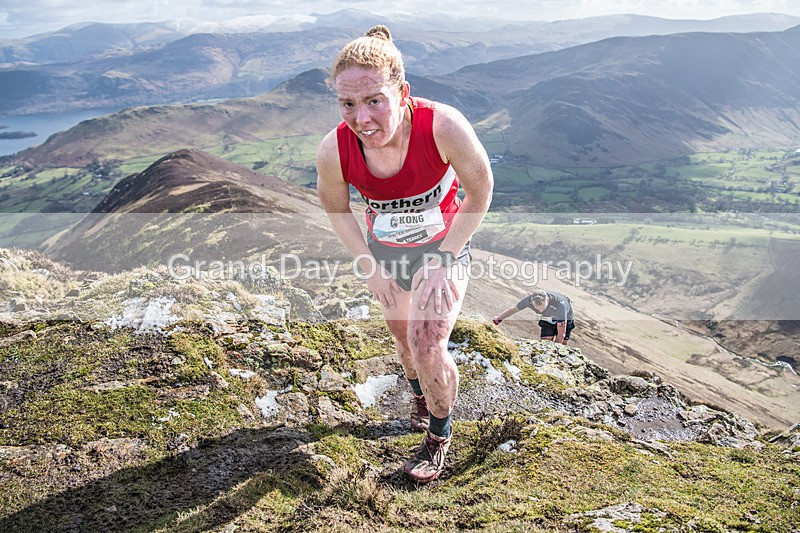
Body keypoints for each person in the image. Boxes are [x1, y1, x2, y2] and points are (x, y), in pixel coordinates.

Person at [316, 25, 493, 483]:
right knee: (402, 338)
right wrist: (369, 267)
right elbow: (337, 210)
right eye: (348, 104)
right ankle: (419, 396)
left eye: (375, 100)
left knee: (426, 342)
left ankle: (438, 436)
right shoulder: (335, 150)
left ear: (403, 92)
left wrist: (445, 259)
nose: (362, 118)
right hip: (387, 254)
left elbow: (480, 191)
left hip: (444, 246)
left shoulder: (443, 126)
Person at [492, 289, 575, 345]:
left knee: (562, 343)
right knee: (546, 343)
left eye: (542, 307)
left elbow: (561, 334)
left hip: (565, 316)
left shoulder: (560, 305)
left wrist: (555, 352)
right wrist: (497, 320)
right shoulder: (529, 300)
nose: (540, 311)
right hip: (548, 317)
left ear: (547, 300)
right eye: (536, 308)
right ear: (532, 302)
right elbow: (513, 309)